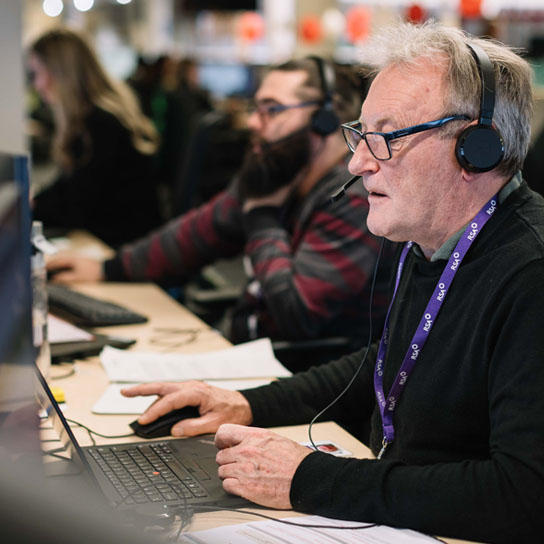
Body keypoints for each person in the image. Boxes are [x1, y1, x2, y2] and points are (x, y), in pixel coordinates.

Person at [119, 22, 544, 543]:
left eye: (387, 136)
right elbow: (384, 363)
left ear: (476, 148)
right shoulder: (432, 241)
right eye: (360, 135)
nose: (358, 162)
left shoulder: (530, 274)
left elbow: (523, 496)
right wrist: (250, 403)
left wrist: (308, 479)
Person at [48, 58, 395, 364]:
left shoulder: (354, 200)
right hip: (242, 353)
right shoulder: (278, 175)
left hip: (297, 376)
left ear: (325, 118)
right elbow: (192, 237)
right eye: (254, 109)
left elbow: (297, 313)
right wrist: (108, 268)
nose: (253, 124)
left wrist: (262, 219)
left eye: (271, 110)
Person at [28, 28, 162, 247]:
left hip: (124, 247)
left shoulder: (100, 125)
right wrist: (34, 202)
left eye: (38, 73)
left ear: (60, 72)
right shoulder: (94, 117)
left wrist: (31, 207)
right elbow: (70, 188)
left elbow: (77, 207)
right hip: (116, 240)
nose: (37, 85)